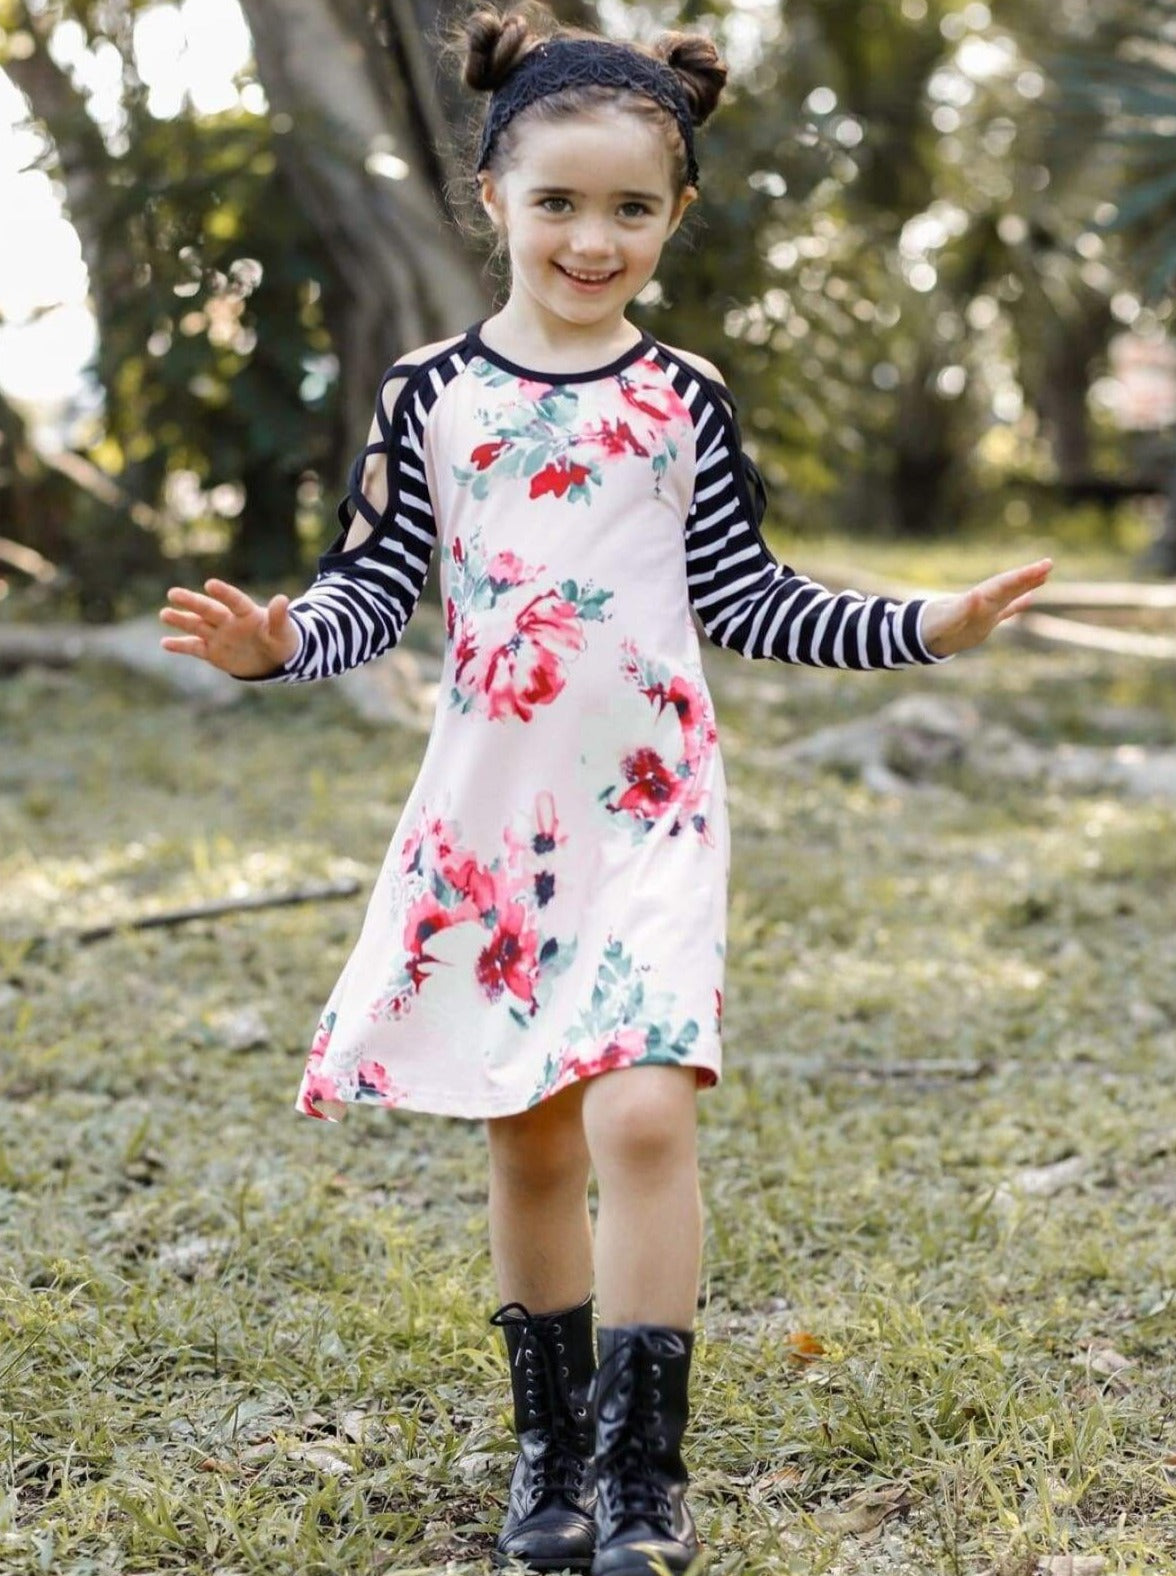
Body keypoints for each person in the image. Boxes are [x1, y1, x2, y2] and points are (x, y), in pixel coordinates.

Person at [160, 5, 1053, 1572]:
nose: (593, 238)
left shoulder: (681, 396)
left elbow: (751, 597)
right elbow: (374, 589)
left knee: (641, 1112)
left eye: (632, 207)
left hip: (651, 806)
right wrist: (278, 643)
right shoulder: (431, 393)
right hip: (493, 818)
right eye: (559, 202)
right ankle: (552, 1457)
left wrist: (928, 623)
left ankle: (644, 1476)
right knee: (530, 1136)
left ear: (676, 215)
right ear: (492, 196)